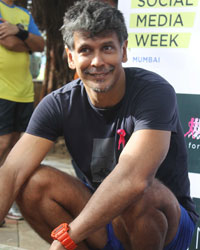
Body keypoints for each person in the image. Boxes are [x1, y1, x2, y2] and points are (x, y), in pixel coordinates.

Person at [0, 0, 198, 249]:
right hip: (103, 220)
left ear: (123, 51)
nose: (97, 61)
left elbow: (134, 178)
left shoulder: (154, 92)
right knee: (32, 183)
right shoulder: (58, 104)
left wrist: (66, 238)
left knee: (139, 194)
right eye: (86, 50)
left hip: (164, 223)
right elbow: (12, 172)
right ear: (71, 57)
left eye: (107, 48)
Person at [0, 0, 44, 222]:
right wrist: (26, 42)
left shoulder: (24, 14)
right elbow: (8, 43)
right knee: (3, 143)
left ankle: (6, 201)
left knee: (17, 147)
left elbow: (41, 45)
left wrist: (18, 31)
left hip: (24, 91)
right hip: (1, 90)